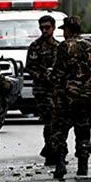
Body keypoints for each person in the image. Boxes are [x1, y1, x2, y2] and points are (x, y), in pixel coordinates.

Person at [49, 17, 91, 180]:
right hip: (86, 97)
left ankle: (60, 164)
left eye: (64, 30)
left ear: (69, 30)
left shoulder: (64, 47)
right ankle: (83, 166)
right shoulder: (90, 46)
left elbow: (58, 72)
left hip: (65, 97)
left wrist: (51, 79)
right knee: (83, 131)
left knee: (60, 131)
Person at [25, 15, 59, 164]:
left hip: (56, 90)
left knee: (58, 121)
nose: (44, 30)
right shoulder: (35, 46)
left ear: (53, 28)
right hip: (42, 90)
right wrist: (43, 75)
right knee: (50, 119)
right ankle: (51, 152)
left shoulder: (59, 46)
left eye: (47, 27)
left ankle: (54, 149)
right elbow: (29, 67)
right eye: (42, 28)